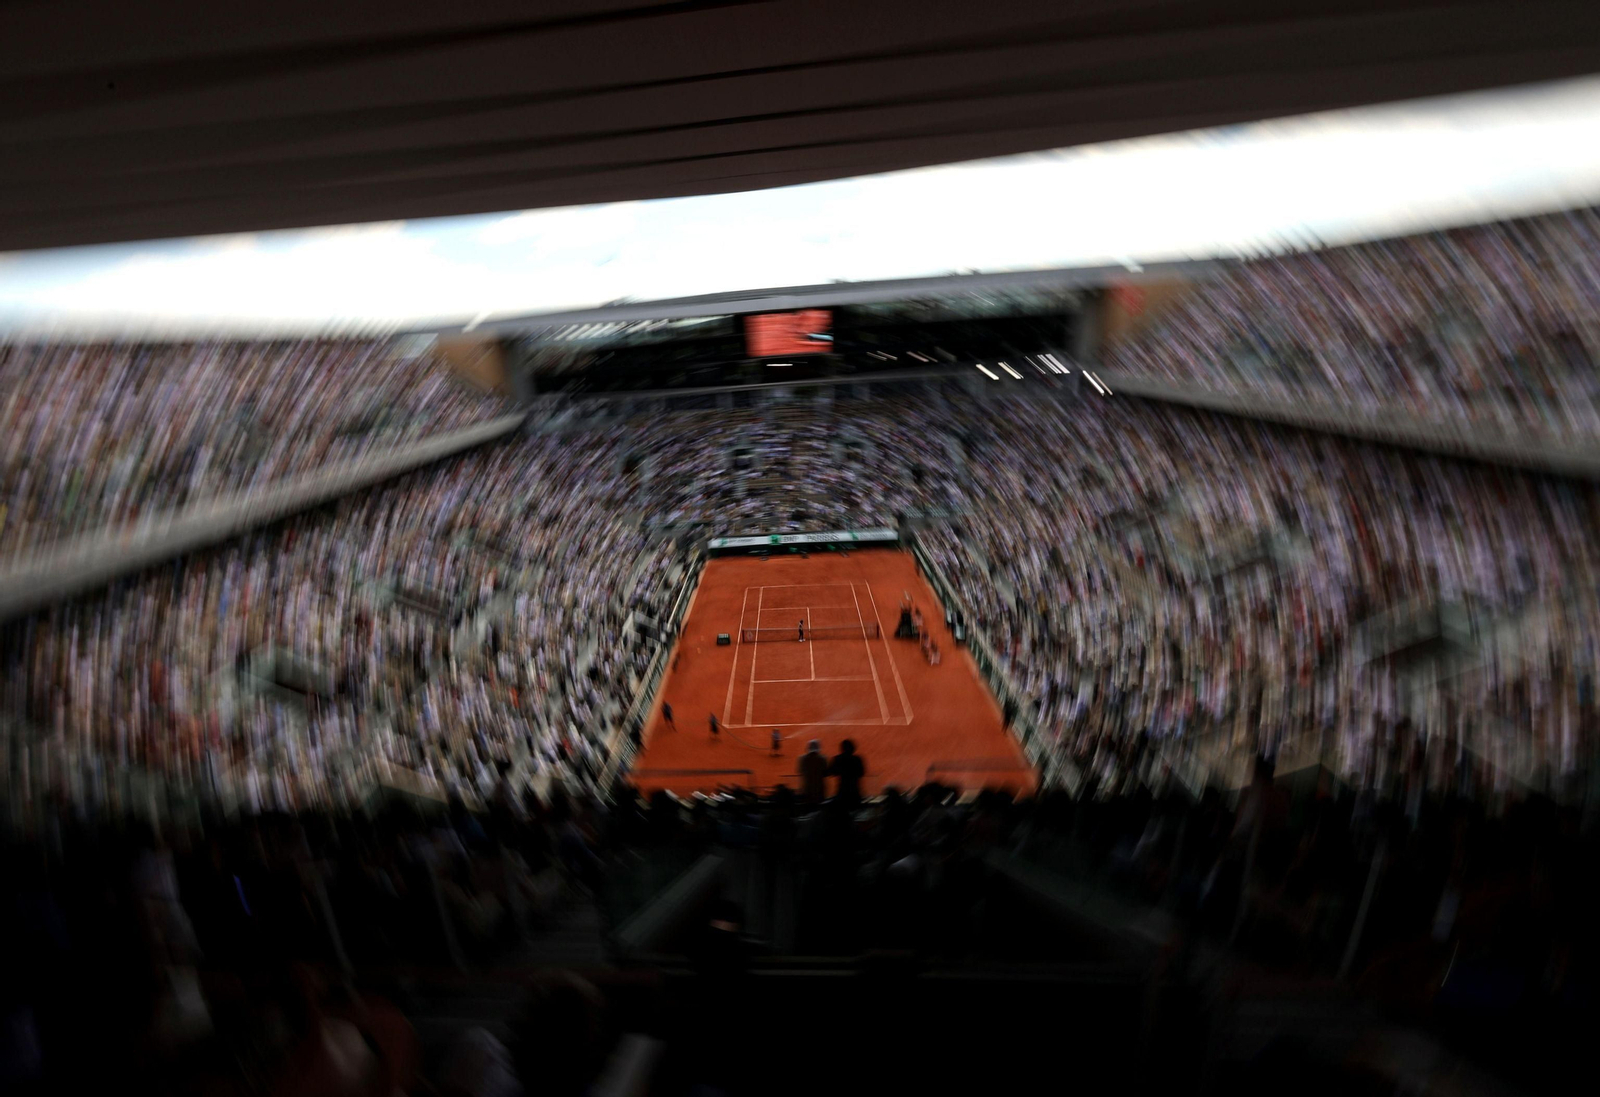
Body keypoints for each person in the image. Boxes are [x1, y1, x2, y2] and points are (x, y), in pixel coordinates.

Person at [826, 739, 865, 805]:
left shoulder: (837, 759)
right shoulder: (857, 759)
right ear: (853, 748)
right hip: (855, 794)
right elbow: (861, 773)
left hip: (841, 794)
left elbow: (829, 772)